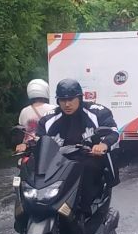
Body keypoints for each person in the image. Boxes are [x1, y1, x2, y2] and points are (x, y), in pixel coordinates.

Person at [36, 79, 120, 215]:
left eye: (71, 99)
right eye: (63, 100)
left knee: (86, 169)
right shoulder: (48, 119)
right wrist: (26, 144)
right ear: (58, 101)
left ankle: (85, 212)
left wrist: (103, 145)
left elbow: (113, 132)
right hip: (58, 164)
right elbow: (38, 138)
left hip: (89, 159)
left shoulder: (97, 112)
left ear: (80, 98)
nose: (67, 104)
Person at [15, 79, 55, 152]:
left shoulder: (24, 111)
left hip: (28, 148)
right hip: (47, 147)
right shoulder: (53, 108)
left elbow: (21, 130)